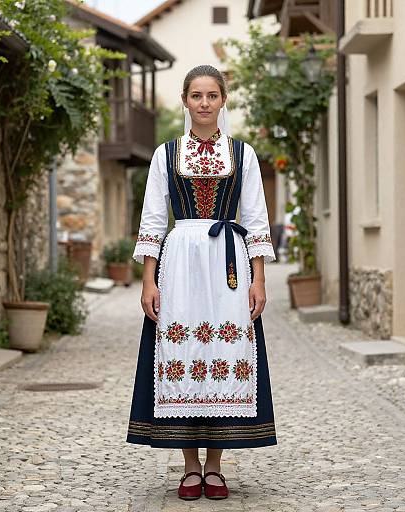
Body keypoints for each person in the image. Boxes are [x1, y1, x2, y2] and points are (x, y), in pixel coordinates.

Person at [126, 64, 277, 501]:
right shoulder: (165, 154)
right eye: (197, 95)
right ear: (185, 100)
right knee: (181, 349)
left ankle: (215, 467)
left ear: (223, 100)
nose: (205, 103)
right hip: (180, 264)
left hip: (229, 266)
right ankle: (190, 466)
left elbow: (254, 218)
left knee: (225, 349)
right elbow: (153, 219)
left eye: (212, 95)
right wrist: (148, 280)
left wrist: (260, 279)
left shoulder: (243, 154)